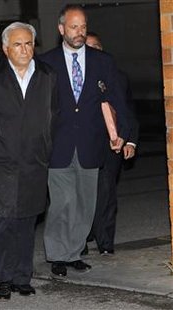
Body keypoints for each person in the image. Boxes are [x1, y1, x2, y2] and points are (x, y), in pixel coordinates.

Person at [0, 22, 59, 301]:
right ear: (5, 48)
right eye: (18, 44)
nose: (25, 49)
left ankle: (22, 277)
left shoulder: (47, 75)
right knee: (2, 222)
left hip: (33, 161)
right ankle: (4, 278)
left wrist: (46, 148)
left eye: (29, 43)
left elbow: (54, 116)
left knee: (26, 220)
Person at [39, 4, 130, 278]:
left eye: (83, 27)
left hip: (92, 144)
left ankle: (75, 251)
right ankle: (57, 254)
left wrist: (123, 132)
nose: (79, 32)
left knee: (85, 202)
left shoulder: (103, 61)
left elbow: (118, 100)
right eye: (73, 27)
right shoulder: (46, 63)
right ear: (61, 29)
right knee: (62, 201)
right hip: (59, 145)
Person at [84, 32, 139, 255]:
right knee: (81, 194)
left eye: (96, 46)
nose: (93, 50)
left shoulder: (118, 76)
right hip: (82, 145)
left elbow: (128, 111)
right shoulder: (72, 78)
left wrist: (131, 140)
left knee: (106, 193)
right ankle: (81, 238)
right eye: (88, 47)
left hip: (112, 143)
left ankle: (105, 242)